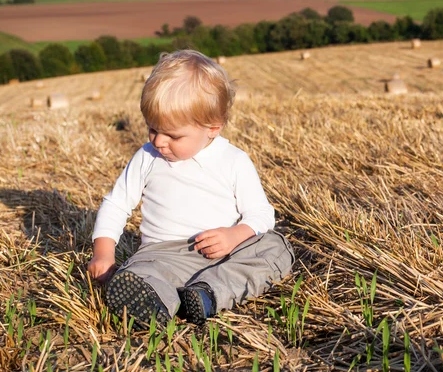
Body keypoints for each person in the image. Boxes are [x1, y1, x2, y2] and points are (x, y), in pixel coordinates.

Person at [88, 49, 294, 326]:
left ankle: (206, 296)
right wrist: (103, 252)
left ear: (213, 128)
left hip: (226, 253)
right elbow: (116, 204)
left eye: (172, 135)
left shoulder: (234, 161)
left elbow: (261, 214)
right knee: (139, 271)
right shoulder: (147, 157)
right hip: (162, 255)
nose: (159, 141)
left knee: (275, 248)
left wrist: (235, 235)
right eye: (152, 129)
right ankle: (157, 300)